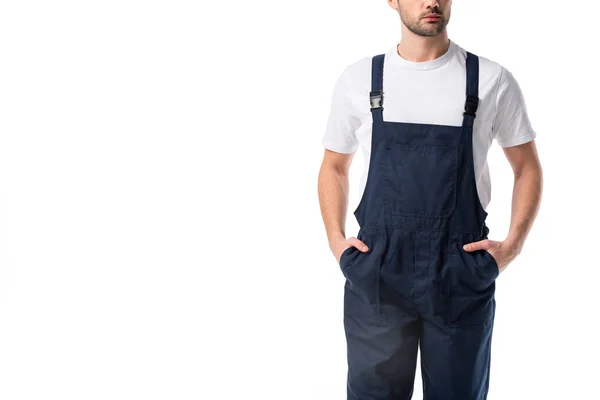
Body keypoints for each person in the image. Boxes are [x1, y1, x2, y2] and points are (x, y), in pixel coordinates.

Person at [317, 1, 543, 399]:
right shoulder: (360, 80)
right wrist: (337, 243)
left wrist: (512, 247)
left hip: (459, 274)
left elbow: (527, 168)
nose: (431, 2)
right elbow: (334, 166)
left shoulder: (490, 79)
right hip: (379, 275)